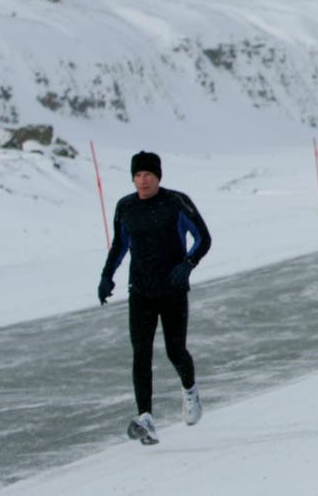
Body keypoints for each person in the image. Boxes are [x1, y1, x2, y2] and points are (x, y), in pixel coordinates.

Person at [98, 150, 212, 446]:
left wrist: (187, 265)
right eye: (137, 175)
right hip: (141, 291)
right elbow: (120, 246)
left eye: (148, 174)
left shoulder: (176, 202)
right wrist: (107, 276)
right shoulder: (126, 207)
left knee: (175, 351)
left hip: (172, 290)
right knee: (141, 354)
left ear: (158, 176)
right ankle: (146, 418)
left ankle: (190, 392)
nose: (142, 180)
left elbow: (203, 238)